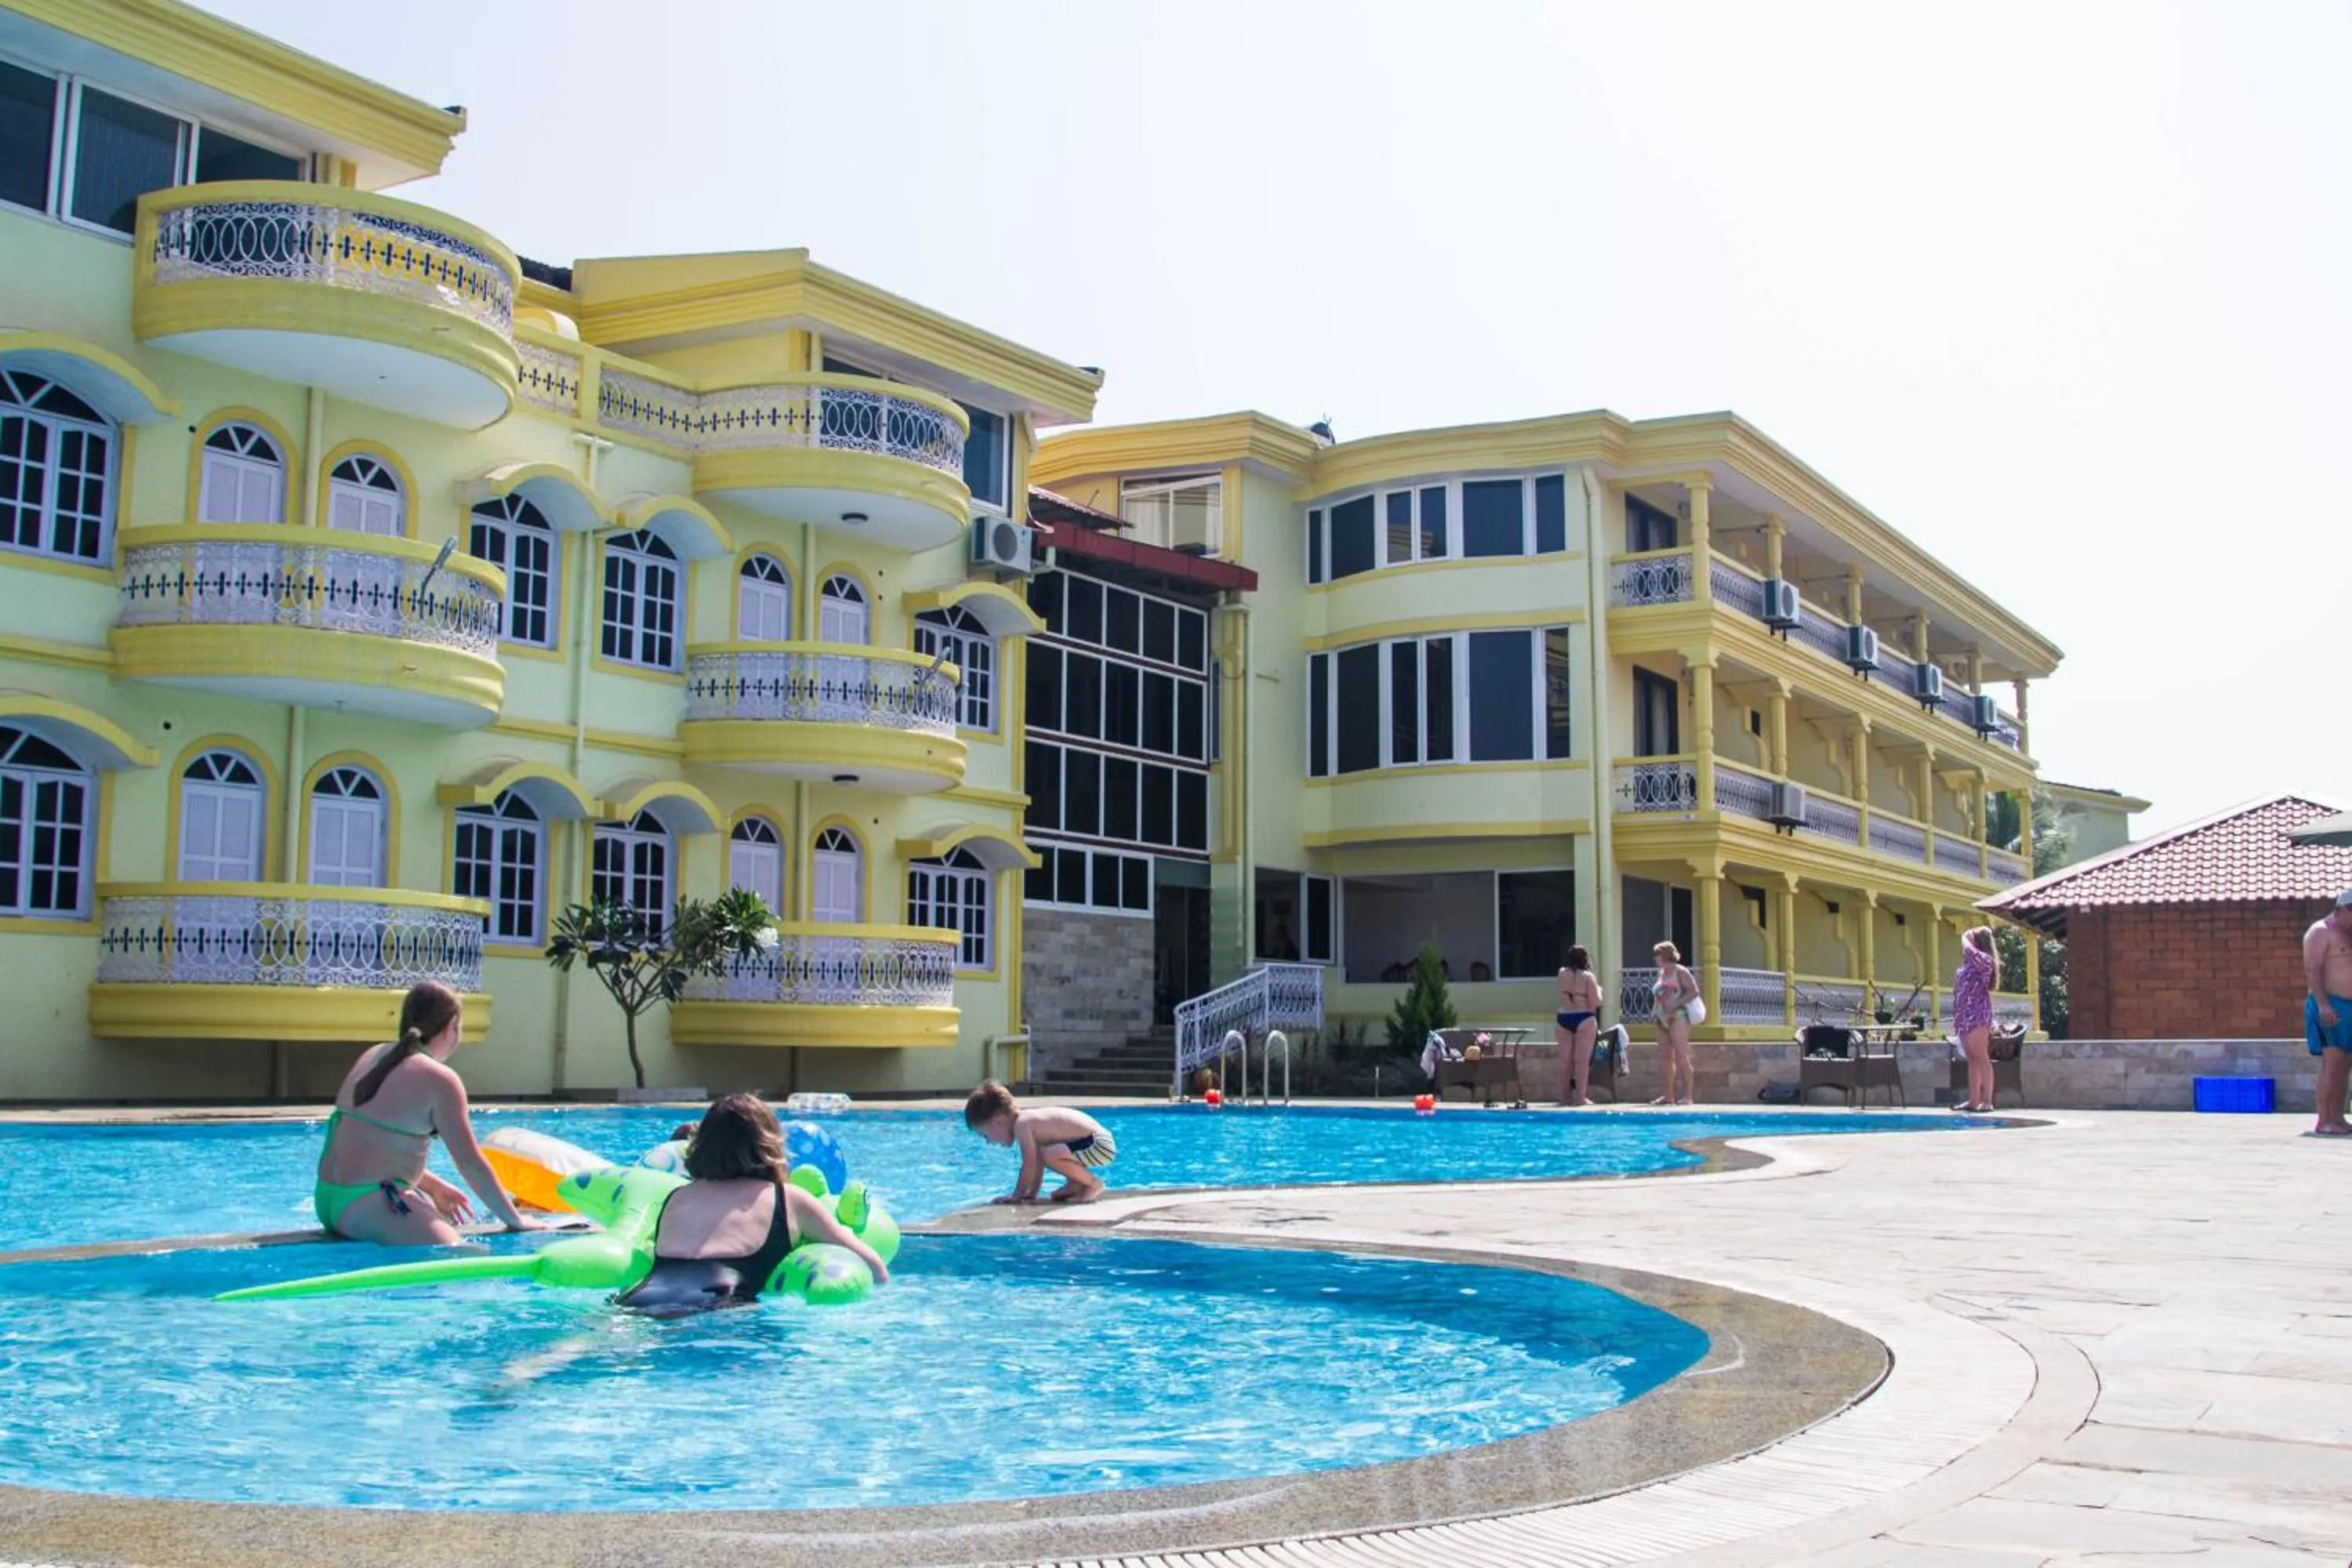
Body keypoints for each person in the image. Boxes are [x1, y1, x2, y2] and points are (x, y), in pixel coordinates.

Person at [617, 1093, 890, 1316]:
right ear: (769, 1144)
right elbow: (875, 1268)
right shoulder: (788, 1199)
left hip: (636, 1300)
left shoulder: (678, 1197)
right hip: (719, 1308)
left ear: (702, 1145)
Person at [314, 980, 535, 1243]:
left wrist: (434, 1187)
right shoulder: (440, 1078)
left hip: (328, 1199)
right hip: (367, 1205)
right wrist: (515, 1220)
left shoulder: (375, 1055)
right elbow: (470, 1163)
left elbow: (368, 1148)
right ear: (451, 1026)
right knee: (459, 1255)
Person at [964, 1080, 1117, 1203]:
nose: (988, 1142)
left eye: (985, 1135)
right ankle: (1075, 1183)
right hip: (1094, 1143)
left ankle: (1093, 1183)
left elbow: (1029, 1164)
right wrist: (1031, 1194)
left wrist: (1016, 1196)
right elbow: (1037, 1163)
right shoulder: (1029, 1124)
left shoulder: (1023, 1124)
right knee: (1047, 1154)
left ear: (997, 1122)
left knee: (1050, 1154)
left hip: (1098, 1144)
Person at [2303, 891, 2352, 1136]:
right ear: (2342, 909)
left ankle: (2338, 1118)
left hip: (2350, 1008)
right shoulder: (2320, 931)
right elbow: (2313, 970)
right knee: (2332, 1063)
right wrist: (2323, 1005)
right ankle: (2324, 1120)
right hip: (2328, 1006)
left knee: (2345, 1064)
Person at [1951, 925, 1999, 1113]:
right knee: (1972, 1059)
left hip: (1978, 1015)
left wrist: (1965, 937)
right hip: (1964, 1017)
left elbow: (1971, 951)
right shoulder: (1966, 967)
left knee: (1982, 1057)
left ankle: (1987, 1101)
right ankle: (1974, 1099)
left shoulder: (1985, 962)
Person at [1649, 942, 1700, 1105]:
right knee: (1665, 1056)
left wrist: (1676, 1003)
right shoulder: (1661, 973)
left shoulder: (1681, 972)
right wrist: (1654, 1011)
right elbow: (1659, 994)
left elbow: (1694, 991)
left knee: (1681, 1054)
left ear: (1664, 955)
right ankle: (1668, 1095)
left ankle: (1687, 1096)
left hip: (1678, 1016)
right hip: (1661, 1017)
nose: (1655, 958)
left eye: (1657, 955)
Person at [1555, 945, 1603, 1107]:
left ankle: (1564, 1097)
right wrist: (1599, 991)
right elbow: (1595, 1002)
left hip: (1564, 1017)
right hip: (1584, 1017)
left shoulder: (1562, 974)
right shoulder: (1588, 977)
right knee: (1581, 1060)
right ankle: (1581, 1098)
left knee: (1564, 1061)